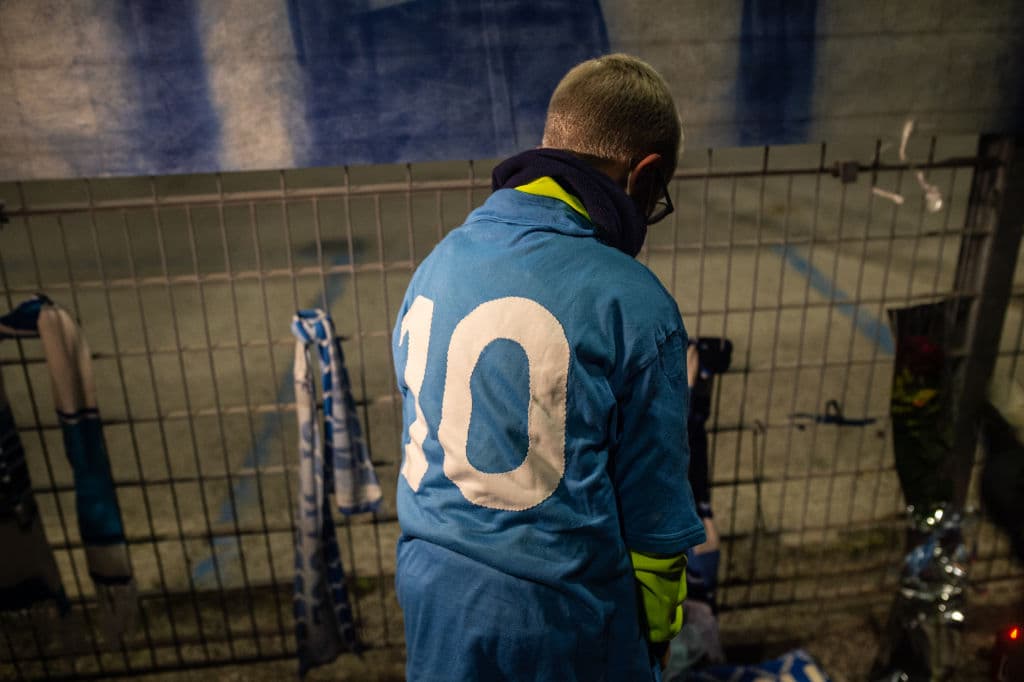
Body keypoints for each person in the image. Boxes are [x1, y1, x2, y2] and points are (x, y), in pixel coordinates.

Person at [391, 53, 705, 681]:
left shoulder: (436, 267)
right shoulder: (636, 304)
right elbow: (655, 527)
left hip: (434, 605)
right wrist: (656, 642)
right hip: (563, 626)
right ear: (643, 176)